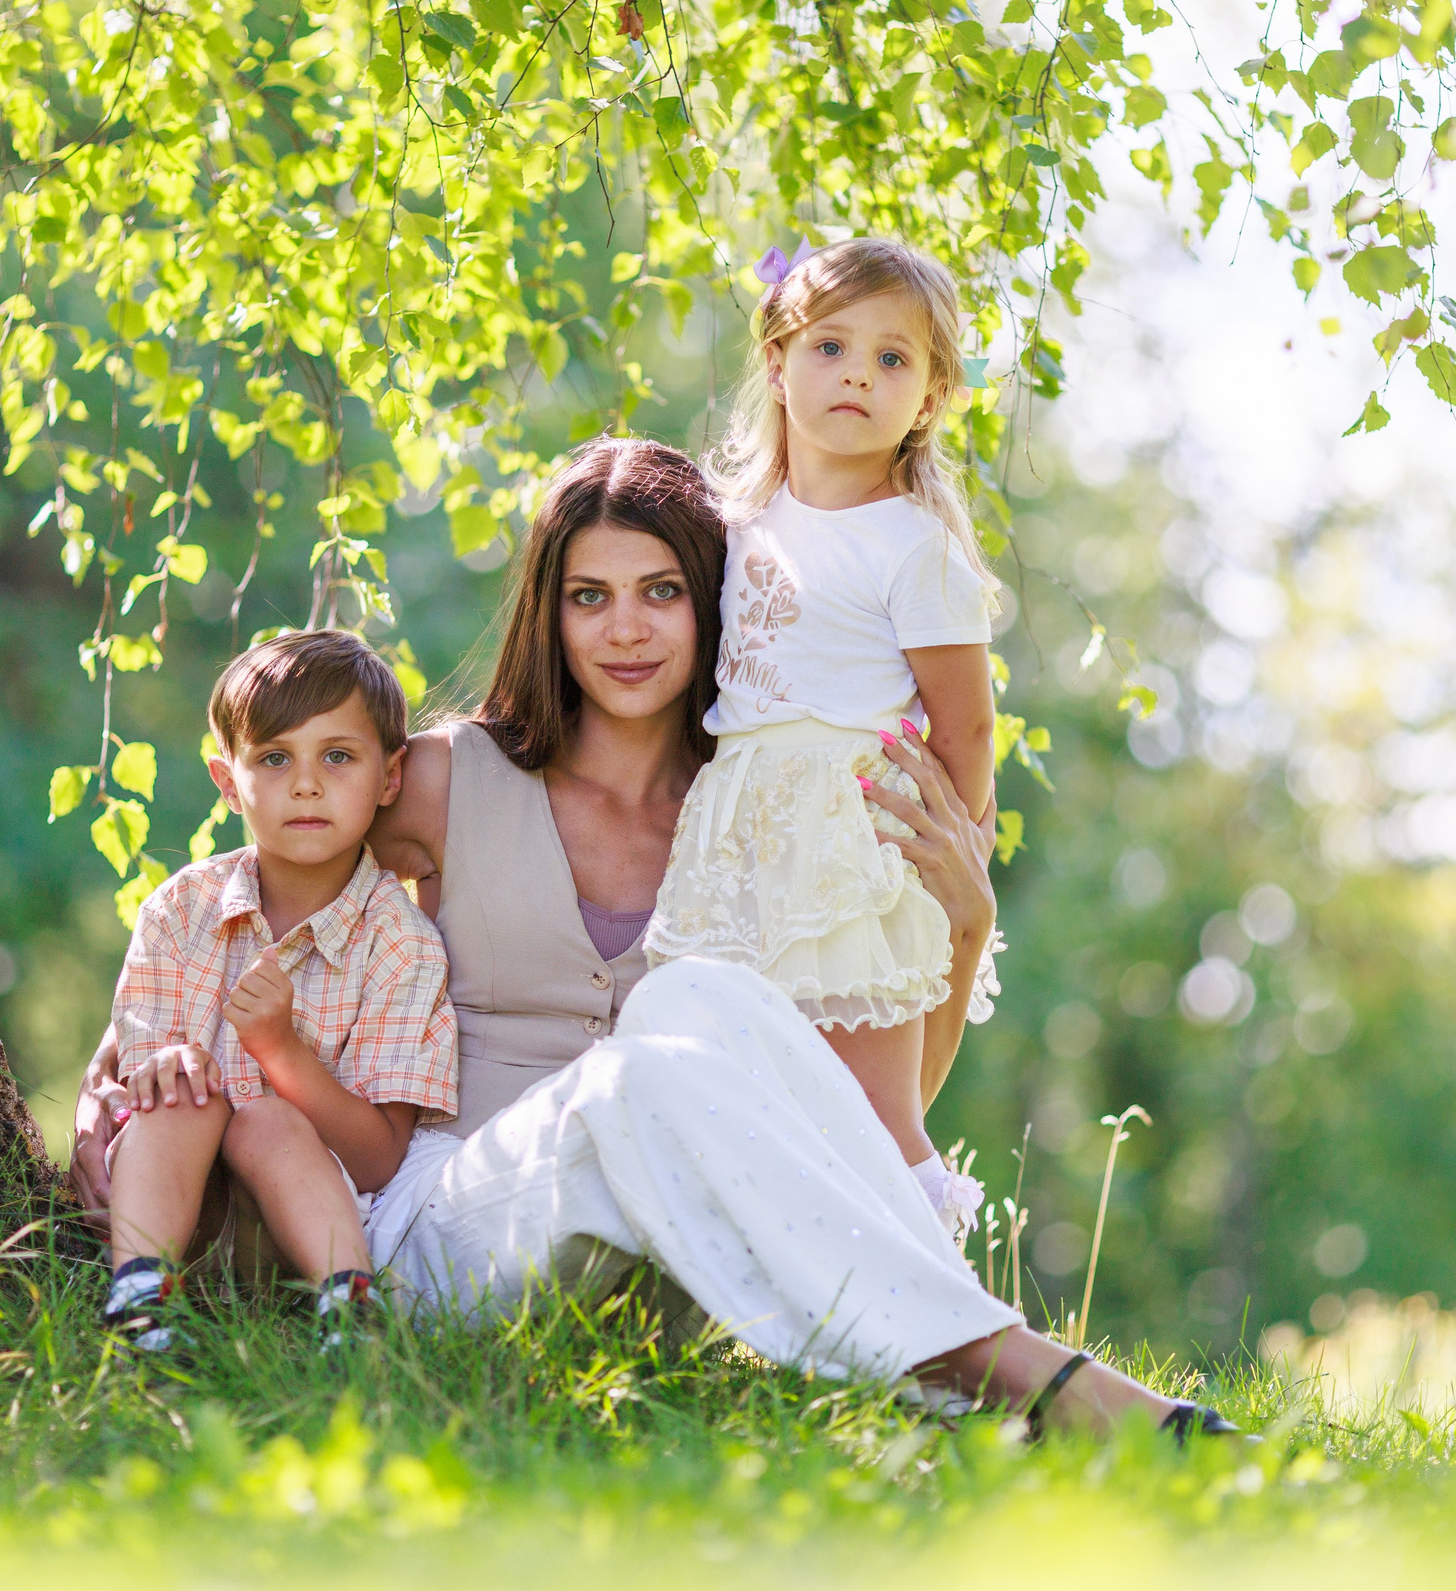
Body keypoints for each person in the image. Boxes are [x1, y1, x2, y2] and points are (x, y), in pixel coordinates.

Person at [73, 439, 1238, 1440]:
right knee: (655, 1051)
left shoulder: (764, 801)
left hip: (662, 1268)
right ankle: (1030, 1379)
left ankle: (975, 1366)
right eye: (589, 595)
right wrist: (151, 1062)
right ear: (551, 609)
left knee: (708, 1009)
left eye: (661, 591)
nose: (624, 630)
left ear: (711, 604)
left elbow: (867, 1115)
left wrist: (967, 926)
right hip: (446, 1230)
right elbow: (262, 876)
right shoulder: (443, 778)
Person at [643, 237, 1000, 1237]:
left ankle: (938, 1305)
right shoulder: (740, 517)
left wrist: (945, 858)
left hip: (848, 842)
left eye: (895, 359)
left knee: (875, 1116)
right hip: (741, 838)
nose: (857, 372)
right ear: (776, 360)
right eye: (831, 345)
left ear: (929, 398)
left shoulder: (913, 545)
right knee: (743, 1088)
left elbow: (966, 723)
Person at [99, 629, 457, 1351]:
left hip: (296, 1236)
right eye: (273, 758)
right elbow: (132, 1086)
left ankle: (347, 1310)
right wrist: (168, 1067)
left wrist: (280, 1051)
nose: (306, 783)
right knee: (181, 1100)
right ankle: (139, 1302)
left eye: (337, 756)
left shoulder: (400, 939)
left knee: (266, 1119)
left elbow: (381, 1159)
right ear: (228, 783)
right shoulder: (180, 910)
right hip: (180, 1221)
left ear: (389, 778)